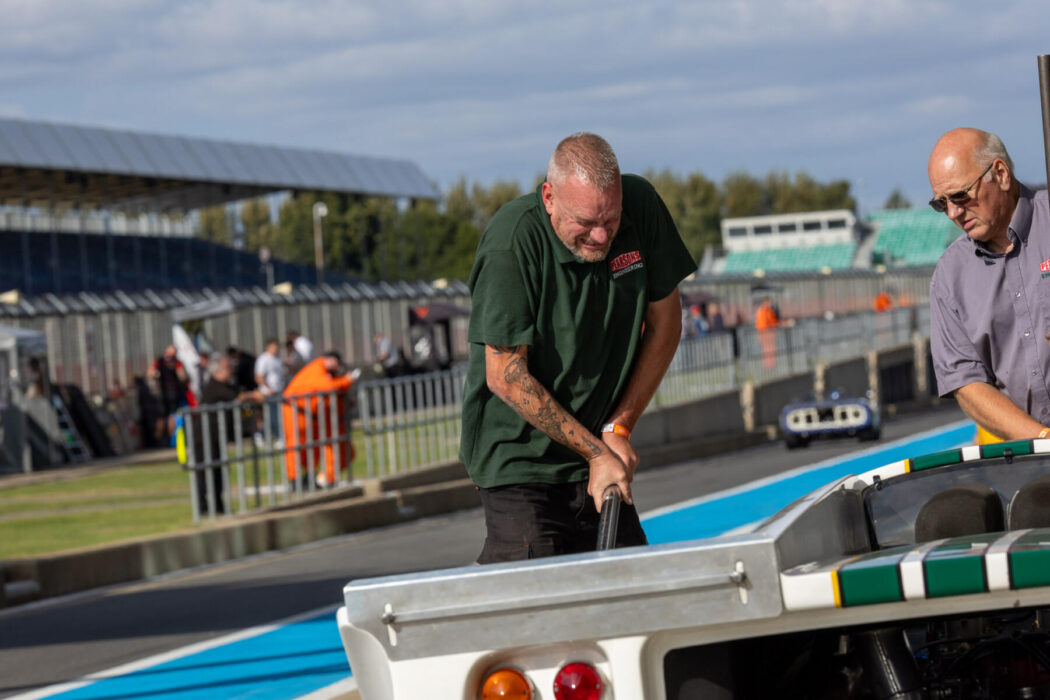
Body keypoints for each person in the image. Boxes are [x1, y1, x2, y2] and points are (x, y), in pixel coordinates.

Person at [460, 132, 696, 564]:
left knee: (629, 582)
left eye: (611, 219)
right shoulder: (511, 242)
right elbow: (505, 375)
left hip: (596, 451)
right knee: (540, 590)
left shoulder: (642, 206)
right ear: (549, 197)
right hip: (520, 457)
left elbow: (666, 322)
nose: (601, 236)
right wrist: (596, 452)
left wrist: (617, 429)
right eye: (585, 222)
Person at [928, 128, 1050, 442]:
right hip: (1031, 457)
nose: (953, 213)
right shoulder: (949, 277)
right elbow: (966, 383)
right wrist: (1042, 439)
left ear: (1000, 174)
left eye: (960, 196)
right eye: (941, 204)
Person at [191, 356, 262, 514]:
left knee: (219, 471)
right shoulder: (215, 387)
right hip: (204, 438)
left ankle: (218, 505)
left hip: (216, 437)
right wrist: (254, 395)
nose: (231, 372)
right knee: (205, 472)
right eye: (228, 369)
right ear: (218, 371)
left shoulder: (225, 385)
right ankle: (203, 507)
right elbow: (236, 398)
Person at [282, 351, 355, 488]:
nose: (338, 368)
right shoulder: (317, 368)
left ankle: (310, 476)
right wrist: (346, 380)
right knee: (296, 444)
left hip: (310, 414)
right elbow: (327, 386)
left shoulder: (326, 372)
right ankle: (294, 479)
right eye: (337, 363)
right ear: (330, 360)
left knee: (312, 446)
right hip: (295, 411)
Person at [149, 345, 189, 440]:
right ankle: (170, 439)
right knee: (172, 416)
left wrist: (157, 376)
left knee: (162, 417)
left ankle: (159, 440)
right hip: (173, 393)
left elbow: (150, 373)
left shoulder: (159, 361)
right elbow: (182, 376)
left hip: (163, 393)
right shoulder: (176, 362)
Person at [253, 338, 286, 443]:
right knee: (274, 416)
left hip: (279, 390)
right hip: (268, 393)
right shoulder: (263, 359)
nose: (276, 349)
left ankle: (261, 434)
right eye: (274, 346)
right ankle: (278, 437)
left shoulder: (278, 358)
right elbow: (259, 377)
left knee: (276, 416)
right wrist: (268, 389)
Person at [754, 297, 779, 369]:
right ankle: (769, 365)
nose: (771, 304)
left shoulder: (760, 311)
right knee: (769, 350)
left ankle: (768, 365)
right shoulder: (766, 311)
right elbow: (773, 322)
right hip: (767, 333)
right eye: (769, 302)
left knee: (766, 350)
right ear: (765, 302)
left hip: (763, 333)